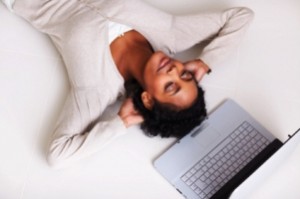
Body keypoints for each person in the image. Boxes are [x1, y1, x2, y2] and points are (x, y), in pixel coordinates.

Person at [1, 0, 254, 168]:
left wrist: (119, 124)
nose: (175, 70)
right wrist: (206, 62)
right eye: (185, 76)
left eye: (170, 86)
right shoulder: (172, 33)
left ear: (147, 99)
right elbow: (241, 16)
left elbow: (57, 155)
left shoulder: (97, 88)